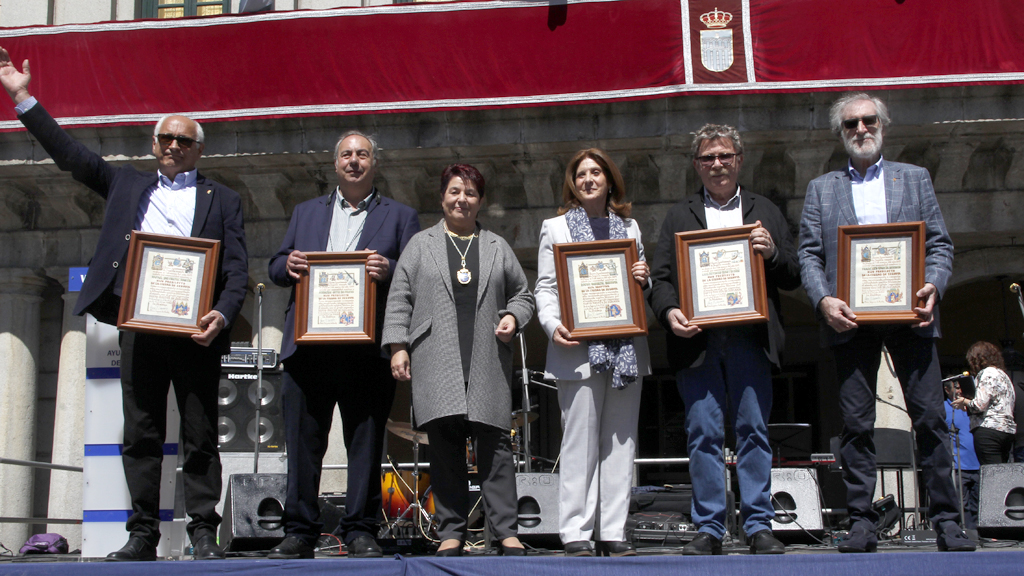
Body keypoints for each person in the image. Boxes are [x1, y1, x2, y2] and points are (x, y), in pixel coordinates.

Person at [0, 49, 248, 561]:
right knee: (141, 434)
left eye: (184, 140)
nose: (174, 145)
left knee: (201, 436)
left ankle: (204, 532)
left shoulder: (223, 199)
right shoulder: (126, 184)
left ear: (199, 150)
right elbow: (71, 156)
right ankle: (142, 534)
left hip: (197, 334)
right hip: (140, 327)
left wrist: (221, 314)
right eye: (166, 138)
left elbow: (237, 269)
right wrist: (23, 98)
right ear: (153, 145)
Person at [798, 92, 974, 552]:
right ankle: (861, 521)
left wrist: (933, 285)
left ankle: (947, 520)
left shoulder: (914, 179)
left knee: (931, 418)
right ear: (840, 133)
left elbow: (939, 245)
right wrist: (823, 300)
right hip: (849, 320)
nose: (861, 129)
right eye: (851, 123)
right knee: (856, 424)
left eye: (868, 120)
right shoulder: (822, 188)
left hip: (910, 316)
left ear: (882, 124)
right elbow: (809, 255)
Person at [266, 131, 420, 559]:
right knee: (303, 445)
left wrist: (389, 268)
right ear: (335, 164)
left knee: (365, 444)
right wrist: (287, 264)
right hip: (308, 350)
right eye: (347, 155)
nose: (354, 161)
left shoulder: (401, 216)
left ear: (374, 163)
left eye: (362, 154)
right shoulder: (305, 211)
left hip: (366, 351)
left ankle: (360, 529)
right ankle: (300, 530)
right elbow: (275, 266)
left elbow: (416, 275)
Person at [648, 124, 800, 555]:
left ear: (739, 160)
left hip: (751, 338)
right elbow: (661, 279)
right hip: (697, 342)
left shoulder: (765, 210)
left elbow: (793, 272)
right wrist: (670, 312)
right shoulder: (679, 215)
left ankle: (758, 526)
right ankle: (710, 527)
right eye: (708, 157)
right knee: (703, 434)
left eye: (725, 156)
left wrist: (772, 253)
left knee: (754, 431)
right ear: (696, 165)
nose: (717, 164)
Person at [382, 164, 535, 556]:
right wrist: (398, 345)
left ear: (480, 201)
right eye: (454, 191)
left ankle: (506, 531)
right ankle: (452, 531)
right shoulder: (420, 245)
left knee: (496, 449)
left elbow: (523, 294)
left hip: (487, 361)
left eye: (470, 193)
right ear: (442, 197)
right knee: (445, 448)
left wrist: (513, 316)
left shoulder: (497, 246)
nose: (461, 199)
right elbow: (399, 298)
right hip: (437, 361)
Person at [535, 149, 651, 557]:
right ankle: (575, 531)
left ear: (609, 180)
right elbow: (546, 287)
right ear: (573, 183)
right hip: (577, 350)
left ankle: (613, 530)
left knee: (621, 442)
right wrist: (552, 325)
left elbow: (640, 288)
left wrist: (643, 278)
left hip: (625, 349)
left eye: (596, 172)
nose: (588, 179)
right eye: (581, 174)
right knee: (579, 443)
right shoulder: (555, 228)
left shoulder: (630, 228)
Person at [952, 341, 1017, 465]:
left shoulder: (987, 373)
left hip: (988, 430)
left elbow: (979, 405)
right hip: (1006, 430)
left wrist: (964, 401)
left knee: (991, 471)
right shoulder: (1004, 375)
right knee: (1002, 470)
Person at [944, 378, 980, 530]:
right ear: (947, 390)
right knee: (962, 505)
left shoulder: (973, 406)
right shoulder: (944, 408)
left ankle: (979, 535)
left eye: (961, 388)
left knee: (979, 505)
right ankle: (966, 534)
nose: (959, 391)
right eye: (956, 387)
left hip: (979, 464)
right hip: (959, 466)